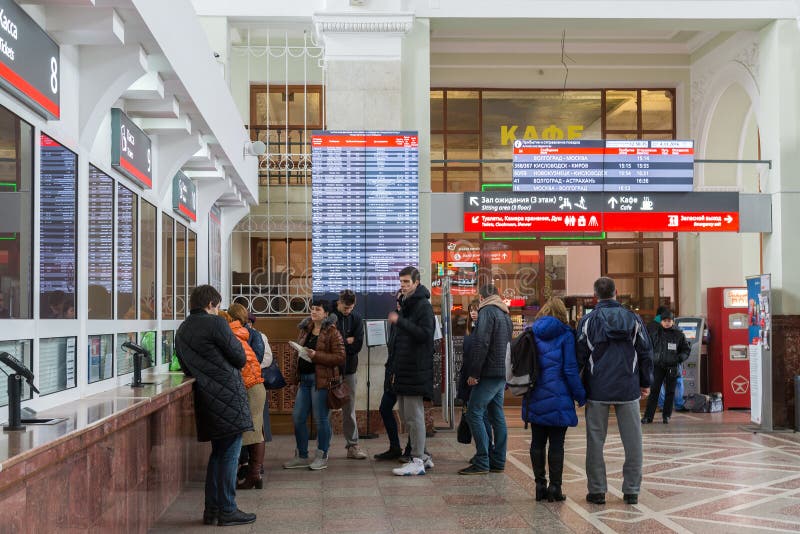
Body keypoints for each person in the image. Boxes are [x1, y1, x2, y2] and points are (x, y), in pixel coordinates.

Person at [174, 285, 256, 527]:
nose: (218, 310)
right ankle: (228, 509)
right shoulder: (216, 323)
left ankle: (212, 511)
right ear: (210, 304)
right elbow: (239, 357)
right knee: (230, 454)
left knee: (218, 454)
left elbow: (187, 366)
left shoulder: (182, 329)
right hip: (228, 396)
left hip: (206, 398)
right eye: (218, 305)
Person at [576, 277, 653, 506]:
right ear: (616, 293)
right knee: (633, 441)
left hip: (597, 389)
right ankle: (631, 491)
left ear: (594, 296)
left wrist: (577, 388)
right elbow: (646, 352)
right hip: (628, 387)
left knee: (595, 441)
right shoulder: (633, 319)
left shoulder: (588, 321)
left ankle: (597, 491)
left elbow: (578, 357)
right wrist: (645, 382)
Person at [523, 298, 586, 502]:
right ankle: (555, 488)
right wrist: (580, 395)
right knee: (557, 444)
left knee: (537, 442)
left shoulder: (532, 332)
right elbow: (569, 369)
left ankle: (539, 486)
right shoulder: (566, 334)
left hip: (535, 395)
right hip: (559, 397)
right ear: (562, 314)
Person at [283, 299, 345, 471]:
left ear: (326, 313)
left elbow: (340, 357)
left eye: (318, 309)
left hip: (322, 381)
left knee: (321, 419)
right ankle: (302, 456)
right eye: (312, 309)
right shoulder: (306, 329)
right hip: (304, 380)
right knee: (298, 417)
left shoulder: (332, 332)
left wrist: (316, 355)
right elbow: (300, 355)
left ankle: (322, 455)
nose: (314, 312)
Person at [459, 284, 513, 476]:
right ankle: (498, 460)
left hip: (488, 373)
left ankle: (482, 460)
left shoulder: (487, 312)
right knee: (496, 414)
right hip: (501, 372)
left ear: (481, 298)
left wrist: (474, 373)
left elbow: (481, 343)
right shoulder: (505, 314)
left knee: (474, 411)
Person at [388, 266, 436, 476]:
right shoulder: (406, 305)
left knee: (414, 416)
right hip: (404, 368)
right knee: (407, 415)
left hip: (416, 368)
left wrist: (401, 321)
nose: (403, 286)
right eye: (401, 282)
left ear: (416, 283)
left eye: (407, 282)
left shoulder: (423, 306)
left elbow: (425, 334)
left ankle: (417, 459)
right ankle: (423, 457)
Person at [225, 303, 267, 490]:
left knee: (254, 432)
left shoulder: (232, 337)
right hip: (255, 386)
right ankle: (254, 475)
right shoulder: (241, 335)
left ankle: (253, 475)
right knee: (255, 431)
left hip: (250, 387)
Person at [457, 299, 493, 464]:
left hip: (477, 379)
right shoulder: (471, 331)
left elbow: (478, 356)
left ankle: (485, 451)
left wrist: (474, 375)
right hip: (468, 378)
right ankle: (483, 450)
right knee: (476, 415)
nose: (473, 313)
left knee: (481, 416)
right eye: (471, 310)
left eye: (476, 310)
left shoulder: (482, 331)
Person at [641, 309, 691, 425]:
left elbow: (686, 350)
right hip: (658, 366)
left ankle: (666, 416)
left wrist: (679, 358)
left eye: (669, 321)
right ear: (661, 321)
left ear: (673, 322)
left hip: (672, 367)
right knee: (654, 392)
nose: (667, 323)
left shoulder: (679, 335)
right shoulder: (655, 334)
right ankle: (648, 417)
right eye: (665, 320)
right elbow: (648, 348)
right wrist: (651, 359)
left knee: (670, 392)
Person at [333, 289, 366, 459]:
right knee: (325, 407)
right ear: (338, 303)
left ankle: (352, 446)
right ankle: (323, 448)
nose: (348, 311)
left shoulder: (357, 319)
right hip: (330, 369)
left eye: (351, 308)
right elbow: (329, 344)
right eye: (345, 308)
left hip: (349, 370)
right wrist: (346, 341)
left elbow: (358, 345)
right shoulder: (330, 317)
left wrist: (342, 344)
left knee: (349, 408)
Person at [374, 290, 405, 461]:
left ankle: (413, 450)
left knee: (409, 414)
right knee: (385, 408)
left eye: (402, 299)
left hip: (405, 374)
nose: (398, 302)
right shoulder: (395, 321)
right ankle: (395, 447)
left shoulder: (409, 320)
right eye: (397, 299)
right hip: (392, 372)